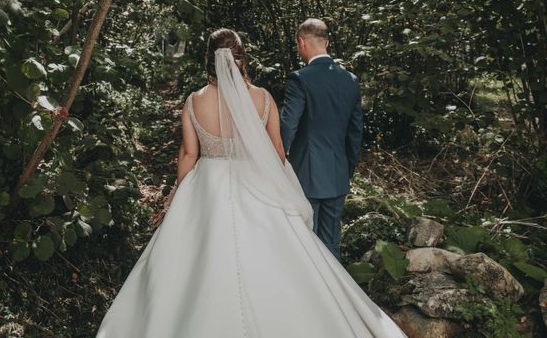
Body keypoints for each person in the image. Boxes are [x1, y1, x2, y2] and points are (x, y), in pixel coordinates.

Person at [96, 29, 405, 338]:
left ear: (209, 60)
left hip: (206, 186)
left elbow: (189, 154)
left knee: (192, 261)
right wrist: (282, 188)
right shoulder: (262, 98)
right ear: (242, 57)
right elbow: (278, 153)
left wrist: (176, 196)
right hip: (256, 182)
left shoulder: (194, 101)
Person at [280, 18, 363, 260]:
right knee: (331, 246)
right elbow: (355, 131)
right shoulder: (350, 80)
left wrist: (279, 161)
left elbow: (288, 125)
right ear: (326, 42)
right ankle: (336, 296)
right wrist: (347, 168)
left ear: (301, 42)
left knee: (306, 244)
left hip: (305, 173)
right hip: (337, 174)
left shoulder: (299, 79)